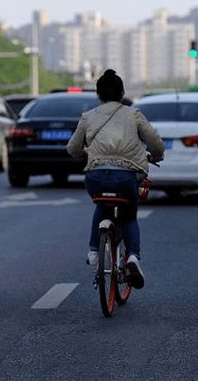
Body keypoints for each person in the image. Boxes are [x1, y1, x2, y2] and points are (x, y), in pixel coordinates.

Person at [67, 69, 164, 289]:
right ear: (121, 92)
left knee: (101, 205)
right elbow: (155, 144)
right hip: (126, 177)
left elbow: (72, 147)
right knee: (129, 216)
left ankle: (93, 252)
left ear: (98, 94)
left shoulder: (88, 117)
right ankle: (132, 258)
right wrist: (156, 156)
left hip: (96, 176)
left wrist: (83, 153)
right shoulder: (134, 115)